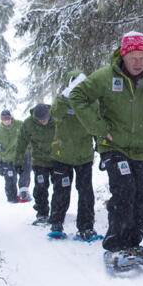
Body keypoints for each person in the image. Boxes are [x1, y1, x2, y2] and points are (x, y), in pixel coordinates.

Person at [69, 31, 143, 262]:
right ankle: (115, 245)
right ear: (123, 55)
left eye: (142, 57)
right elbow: (77, 97)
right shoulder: (105, 77)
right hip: (114, 146)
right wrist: (99, 127)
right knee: (124, 191)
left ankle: (133, 244)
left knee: (140, 198)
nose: (137, 62)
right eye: (132, 57)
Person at [47, 71, 99, 239]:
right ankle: (56, 223)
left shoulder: (91, 102)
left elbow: (97, 123)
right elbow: (54, 114)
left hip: (84, 156)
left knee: (86, 192)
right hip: (62, 156)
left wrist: (101, 147)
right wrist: (65, 96)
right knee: (61, 190)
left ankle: (86, 227)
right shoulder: (62, 101)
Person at [16, 103, 55, 222]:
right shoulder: (28, 124)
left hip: (57, 159)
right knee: (40, 188)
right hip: (39, 161)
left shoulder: (57, 117)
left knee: (60, 189)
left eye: (45, 119)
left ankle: (57, 214)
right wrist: (18, 162)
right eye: (40, 120)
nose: (43, 121)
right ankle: (42, 213)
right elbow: (21, 142)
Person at [0, 109, 25, 203]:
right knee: (10, 180)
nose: (6, 121)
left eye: (8, 118)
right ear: (1, 120)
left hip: (18, 158)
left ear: (11, 118)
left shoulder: (18, 125)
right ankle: (12, 198)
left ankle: (24, 194)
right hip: (6, 159)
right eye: (4, 119)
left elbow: (27, 129)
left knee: (24, 176)